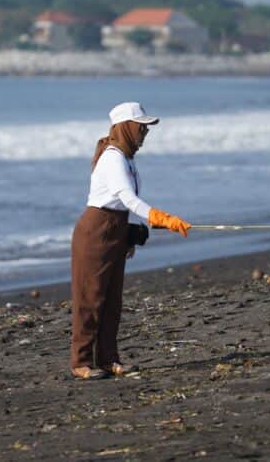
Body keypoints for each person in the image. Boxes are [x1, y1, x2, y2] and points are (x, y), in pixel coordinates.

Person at [69, 101, 192, 380]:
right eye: (141, 127)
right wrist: (160, 217)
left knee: (112, 300)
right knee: (90, 298)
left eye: (146, 129)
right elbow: (127, 197)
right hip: (96, 231)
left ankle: (108, 359)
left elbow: (125, 205)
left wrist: (131, 236)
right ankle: (81, 361)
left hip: (115, 229)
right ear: (126, 127)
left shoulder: (127, 158)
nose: (145, 133)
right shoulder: (112, 157)